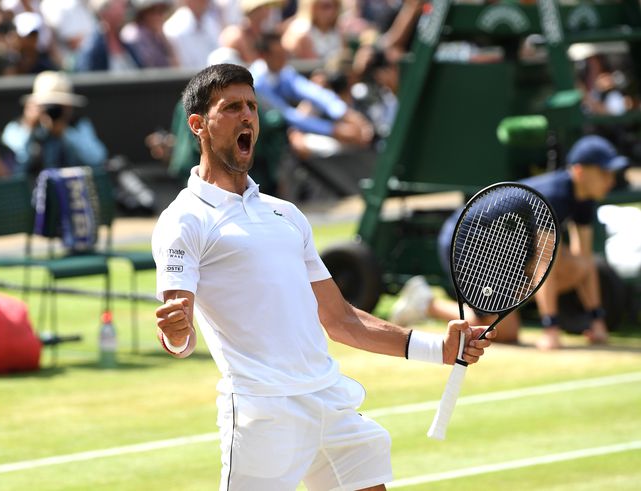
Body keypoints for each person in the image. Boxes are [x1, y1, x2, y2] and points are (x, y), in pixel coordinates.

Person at [152, 63, 494, 490]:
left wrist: (436, 349)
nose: (247, 117)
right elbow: (178, 334)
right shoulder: (183, 221)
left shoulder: (286, 215)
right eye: (233, 107)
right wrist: (177, 334)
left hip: (329, 400)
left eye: (253, 107)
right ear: (198, 125)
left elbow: (340, 319)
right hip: (264, 412)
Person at [391, 134, 630, 351]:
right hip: (466, 243)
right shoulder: (555, 195)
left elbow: (585, 261)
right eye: (603, 172)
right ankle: (425, 302)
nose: (610, 180)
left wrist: (597, 321)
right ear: (579, 171)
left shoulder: (584, 198)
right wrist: (551, 329)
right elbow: (544, 263)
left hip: (507, 252)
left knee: (577, 267)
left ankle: (497, 309)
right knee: (505, 332)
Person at [250, 30, 374, 160]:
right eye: (277, 55)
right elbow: (287, 115)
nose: (283, 58)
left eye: (283, 53)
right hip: (269, 142)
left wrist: (346, 114)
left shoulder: (284, 71)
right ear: (263, 56)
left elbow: (314, 93)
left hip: (292, 127)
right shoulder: (257, 83)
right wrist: (334, 130)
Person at [1, 70, 108, 176]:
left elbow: (97, 159)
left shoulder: (78, 125)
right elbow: (13, 169)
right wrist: (29, 128)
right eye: (47, 105)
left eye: (60, 105)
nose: (53, 110)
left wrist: (65, 133)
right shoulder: (17, 127)